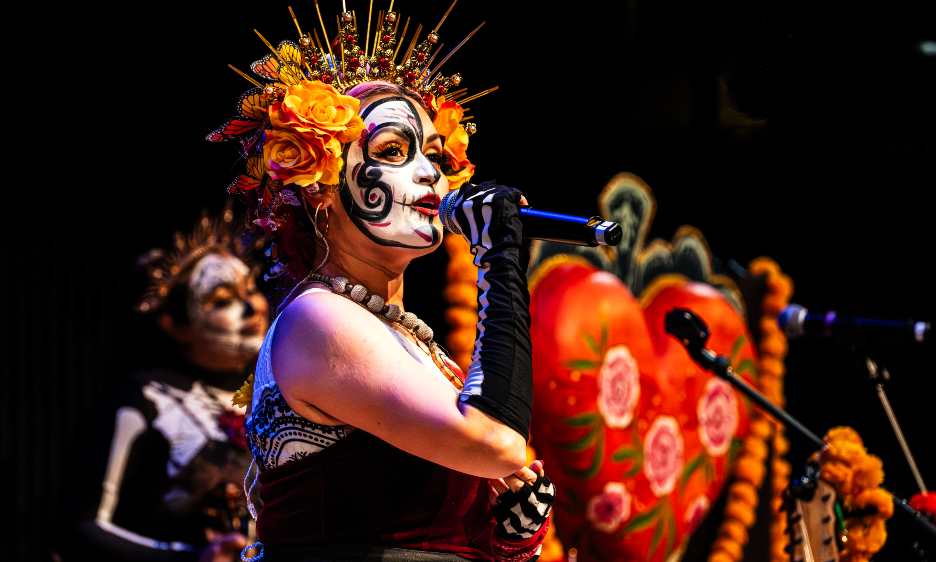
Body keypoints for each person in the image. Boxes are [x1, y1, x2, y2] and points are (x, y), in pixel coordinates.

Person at [213, 3, 555, 561]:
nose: (430, 173)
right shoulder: (320, 319)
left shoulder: (413, 344)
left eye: (435, 155)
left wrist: (506, 536)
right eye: (394, 151)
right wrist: (497, 255)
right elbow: (496, 443)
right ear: (319, 190)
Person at [57, 210, 270, 562]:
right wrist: (192, 558)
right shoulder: (145, 399)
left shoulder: (278, 395)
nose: (252, 307)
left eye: (250, 288)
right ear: (174, 325)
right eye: (221, 300)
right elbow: (78, 529)